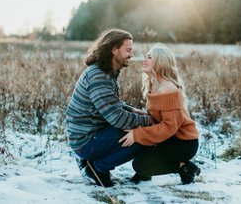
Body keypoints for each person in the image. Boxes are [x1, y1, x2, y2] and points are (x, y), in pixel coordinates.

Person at [65, 28, 153, 187]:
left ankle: (95, 163)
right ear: (114, 50)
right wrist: (150, 121)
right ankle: (96, 168)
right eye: (128, 50)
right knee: (144, 134)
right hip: (86, 141)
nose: (131, 55)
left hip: (91, 134)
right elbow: (117, 118)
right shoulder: (98, 76)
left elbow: (111, 105)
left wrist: (133, 111)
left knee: (140, 130)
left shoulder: (104, 72)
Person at [119, 43, 201, 184]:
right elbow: (158, 118)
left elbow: (169, 127)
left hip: (183, 143)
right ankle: (144, 174)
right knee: (141, 150)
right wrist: (138, 119)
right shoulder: (153, 85)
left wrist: (138, 134)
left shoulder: (168, 88)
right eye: (146, 56)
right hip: (169, 138)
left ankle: (185, 167)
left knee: (139, 165)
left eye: (149, 57)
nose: (144, 60)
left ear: (160, 62)